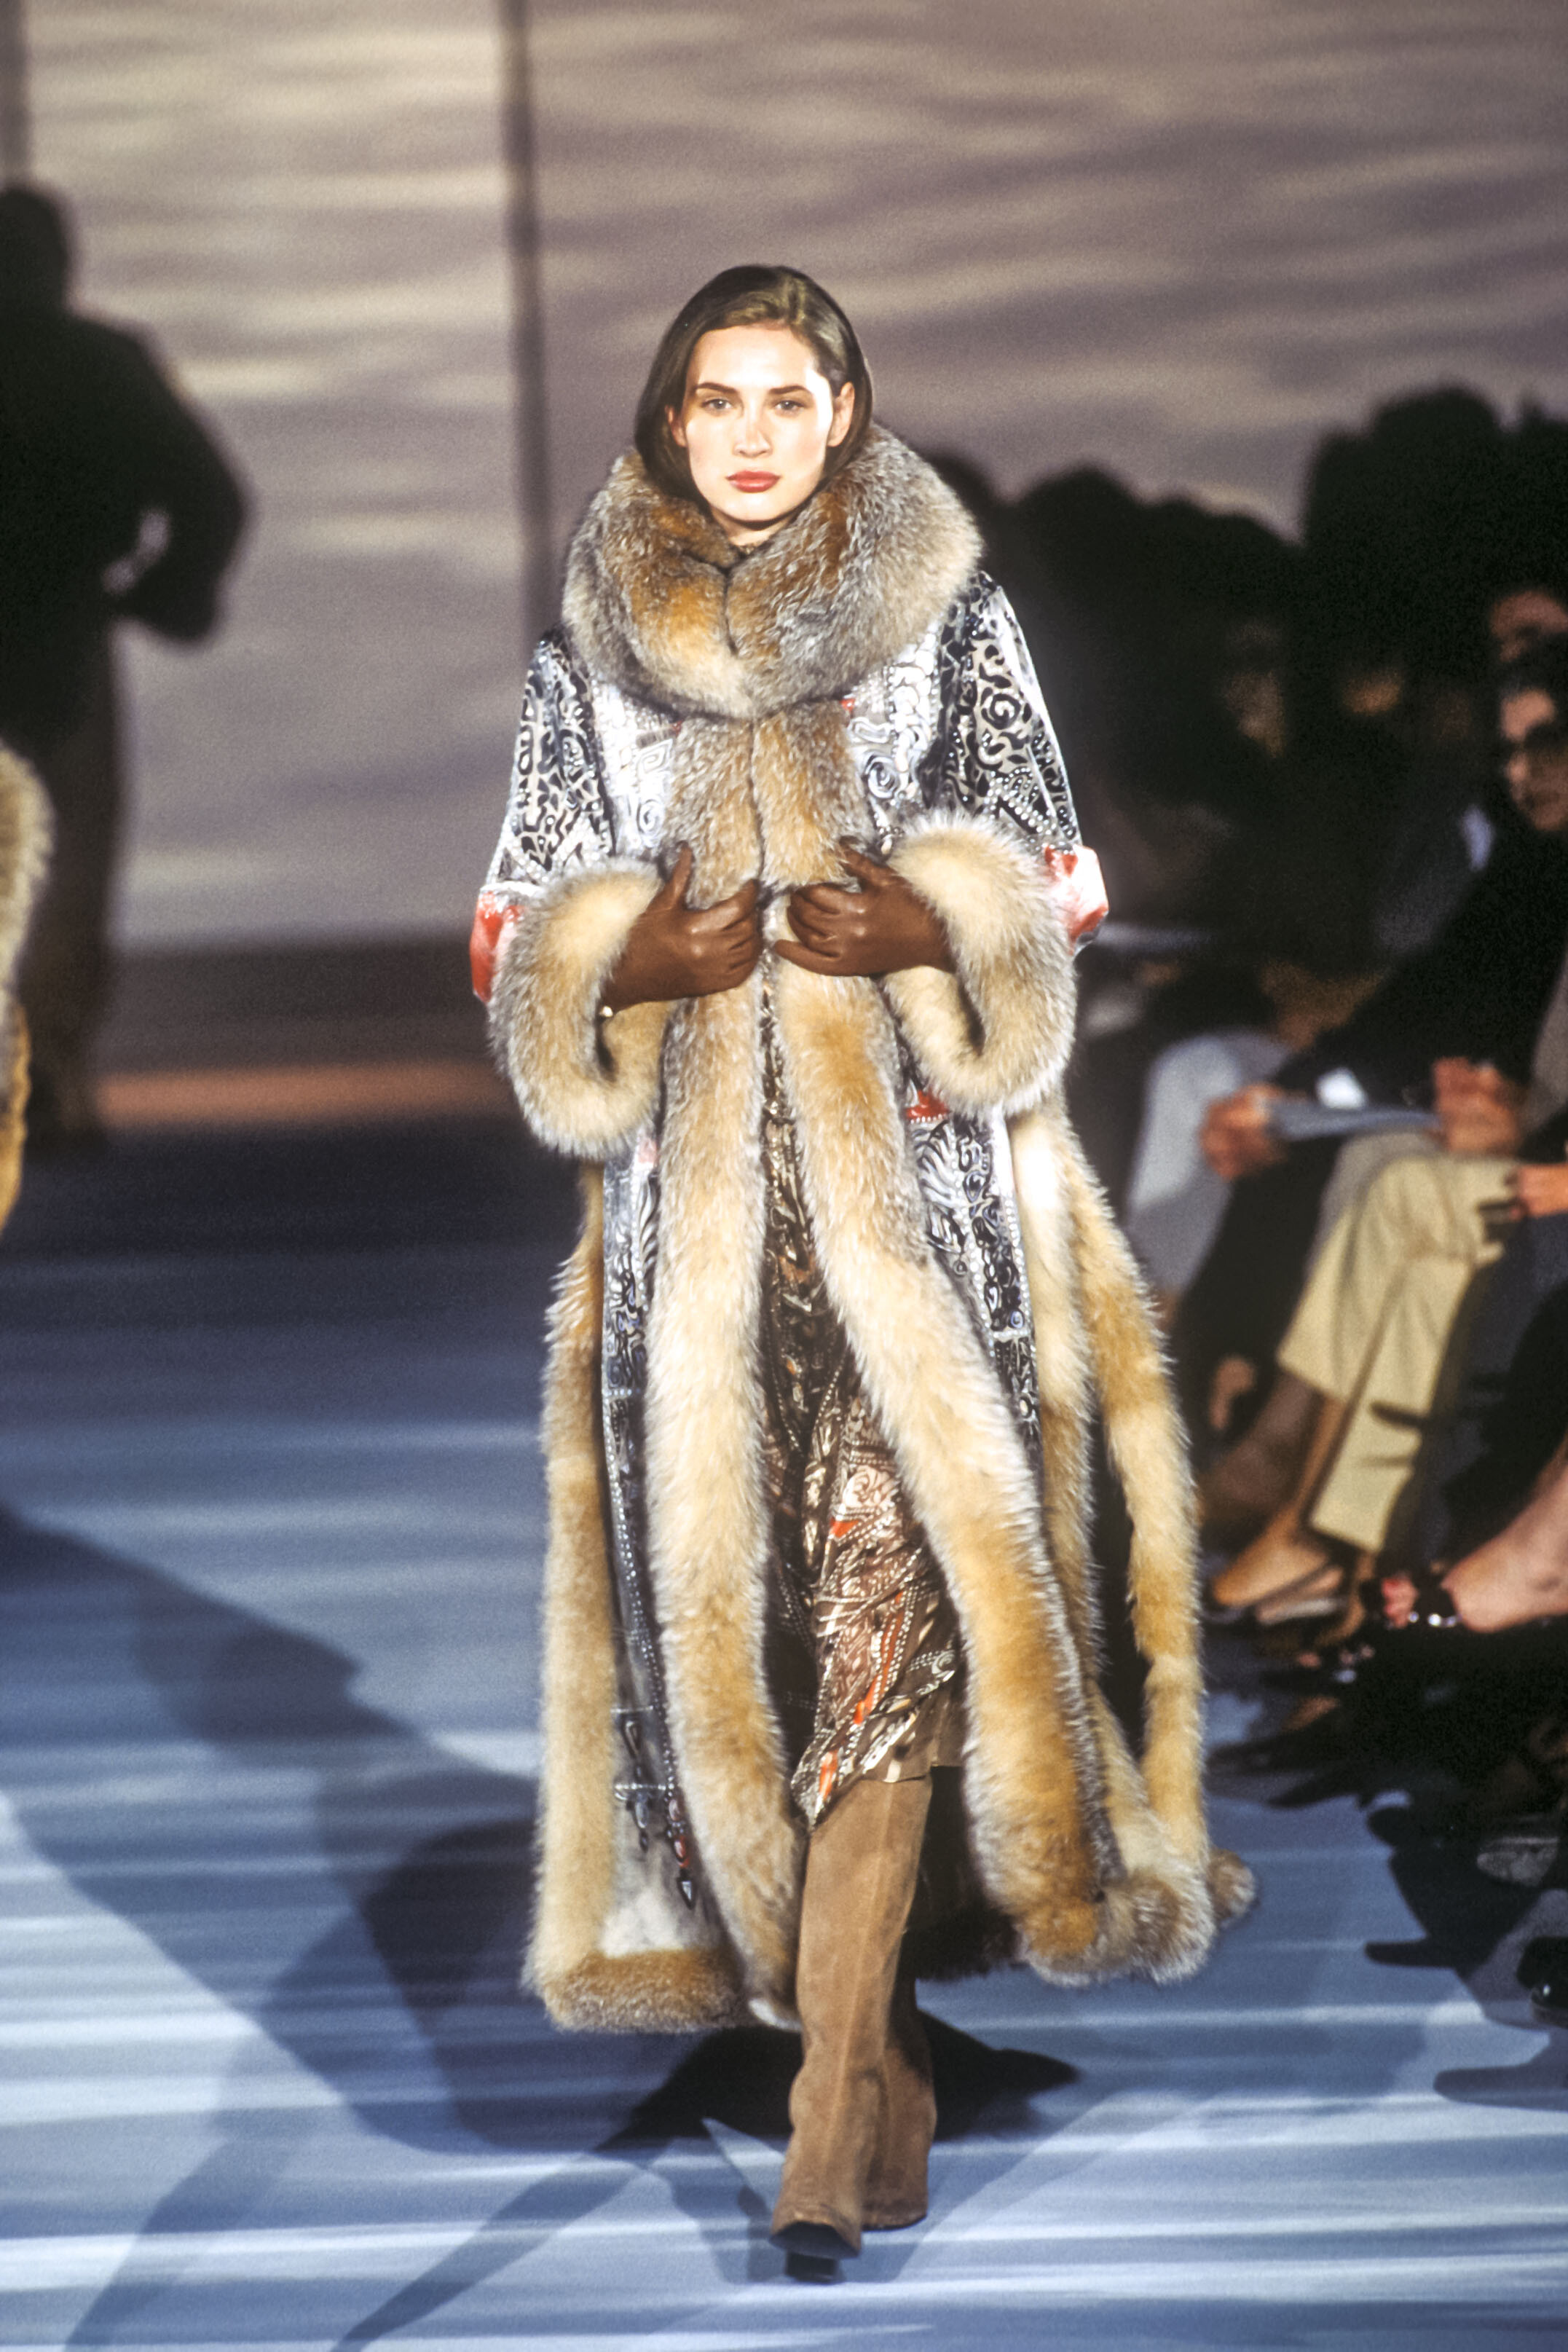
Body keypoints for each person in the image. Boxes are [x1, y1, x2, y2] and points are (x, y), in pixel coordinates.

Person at [472, 266, 1249, 2262]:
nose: (751, 433)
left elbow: (1061, 873)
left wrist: (931, 918)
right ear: (671, 418)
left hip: (923, 1217)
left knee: (900, 1633)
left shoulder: (943, 612)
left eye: (787, 399)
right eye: (716, 398)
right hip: (697, 1234)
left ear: (844, 416)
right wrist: (626, 955)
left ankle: (826, 2119)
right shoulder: (597, 641)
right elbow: (511, 916)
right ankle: (878, 2044)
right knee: (774, 1656)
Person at [1207, 642, 1568, 1620]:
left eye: (1545, 743)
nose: (1519, 770)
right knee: (1371, 1158)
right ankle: (1314, 1515)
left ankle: (1331, 1534)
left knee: (1400, 1180)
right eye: (1509, 748)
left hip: (1542, 1169)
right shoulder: (1534, 862)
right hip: (1516, 1140)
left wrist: (1531, 1139)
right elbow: (1430, 1003)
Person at [0, 184, 247, 1147]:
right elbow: (213, 498)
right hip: (64, 645)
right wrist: (163, 596)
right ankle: (47, 1071)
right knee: (68, 865)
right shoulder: (104, 365)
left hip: (65, 636)